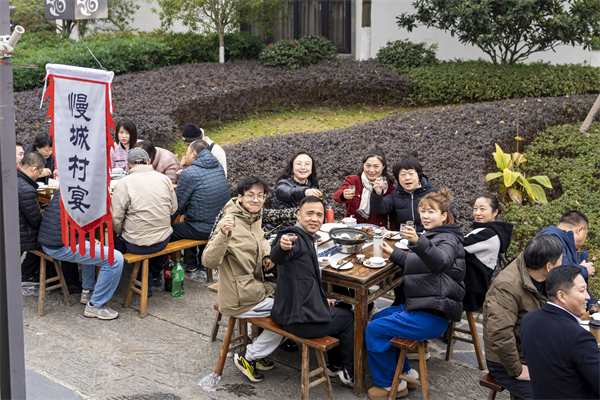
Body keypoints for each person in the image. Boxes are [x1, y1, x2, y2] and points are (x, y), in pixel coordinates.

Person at [367, 190, 466, 399]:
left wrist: (418, 241)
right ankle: (404, 372)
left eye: (431, 211)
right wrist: (392, 253)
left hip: (432, 314)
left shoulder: (448, 238)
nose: (425, 215)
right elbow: (421, 264)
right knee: (377, 317)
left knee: (374, 329)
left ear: (444, 216)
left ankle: (388, 385)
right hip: (422, 306)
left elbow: (439, 262)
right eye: (422, 211)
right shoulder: (435, 235)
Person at [202, 176, 281, 383]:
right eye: (250, 195)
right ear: (240, 197)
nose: (256, 200)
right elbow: (208, 261)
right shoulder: (229, 221)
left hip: (253, 287)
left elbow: (261, 237)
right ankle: (249, 356)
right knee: (289, 314)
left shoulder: (253, 216)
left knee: (287, 296)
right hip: (238, 297)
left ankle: (258, 352)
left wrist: (266, 253)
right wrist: (223, 234)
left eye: (260, 196)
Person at [270, 196, 355, 387]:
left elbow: (304, 282)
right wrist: (282, 247)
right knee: (348, 317)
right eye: (309, 213)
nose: (314, 218)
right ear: (298, 214)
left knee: (336, 307)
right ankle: (347, 371)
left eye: (319, 214)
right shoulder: (294, 238)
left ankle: (334, 365)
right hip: (298, 322)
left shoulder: (308, 238)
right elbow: (278, 255)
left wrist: (321, 300)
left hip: (291, 312)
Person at [482, 234, 564, 400]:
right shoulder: (506, 286)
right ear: (549, 266)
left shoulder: (543, 275)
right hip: (507, 360)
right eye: (561, 260)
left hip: (535, 348)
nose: (562, 263)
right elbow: (500, 335)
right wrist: (517, 370)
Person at [38, 191, 124, 320]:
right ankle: (95, 306)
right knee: (115, 259)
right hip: (61, 246)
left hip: (50, 242)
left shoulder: (67, 188)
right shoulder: (87, 195)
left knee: (91, 246)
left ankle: (87, 291)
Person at [521, 265, 599, 400]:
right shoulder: (578, 337)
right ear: (561, 296)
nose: (587, 297)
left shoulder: (528, 320)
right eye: (582, 291)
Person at [112, 148, 178, 296]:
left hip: (137, 245)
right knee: (148, 236)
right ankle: (152, 276)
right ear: (149, 161)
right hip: (163, 240)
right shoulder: (164, 179)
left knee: (120, 241)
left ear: (128, 165)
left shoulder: (124, 183)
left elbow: (116, 219)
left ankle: (135, 280)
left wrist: (119, 232)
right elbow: (173, 209)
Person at [172, 139, 230, 274]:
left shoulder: (189, 173)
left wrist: (163, 225)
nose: (185, 155)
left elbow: (177, 206)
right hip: (219, 224)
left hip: (200, 229)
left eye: (187, 151)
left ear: (193, 154)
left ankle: (159, 273)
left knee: (166, 233)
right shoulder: (218, 167)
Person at [462, 194, 514, 312]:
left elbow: (457, 247)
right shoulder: (487, 231)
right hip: (467, 288)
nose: (477, 213)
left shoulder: (488, 234)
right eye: (475, 208)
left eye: (482, 209)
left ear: (495, 212)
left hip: (469, 293)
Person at [537, 210, 596, 308]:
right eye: (585, 236)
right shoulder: (554, 241)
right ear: (579, 230)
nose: (583, 243)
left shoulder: (564, 241)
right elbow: (561, 278)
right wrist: (584, 270)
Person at [333, 147, 398, 229]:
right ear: (363, 165)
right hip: (352, 229)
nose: (371, 170)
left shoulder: (390, 188)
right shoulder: (353, 180)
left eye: (376, 166)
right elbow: (336, 196)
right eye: (368, 166)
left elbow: (393, 217)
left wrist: (392, 234)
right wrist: (343, 195)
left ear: (383, 166)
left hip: (376, 231)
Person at [370, 156, 438, 233]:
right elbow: (379, 209)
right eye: (403, 174)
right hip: (404, 239)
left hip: (431, 238)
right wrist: (377, 193)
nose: (407, 178)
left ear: (418, 175)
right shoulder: (395, 195)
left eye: (411, 173)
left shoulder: (435, 194)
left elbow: (449, 220)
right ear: (398, 178)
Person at [18, 152, 45, 285]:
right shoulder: (27, 189)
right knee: (49, 238)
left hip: (17, 228)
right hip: (22, 234)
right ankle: (27, 273)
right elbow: (36, 221)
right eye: (39, 173)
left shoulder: (15, 178)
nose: (39, 176)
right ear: (33, 169)